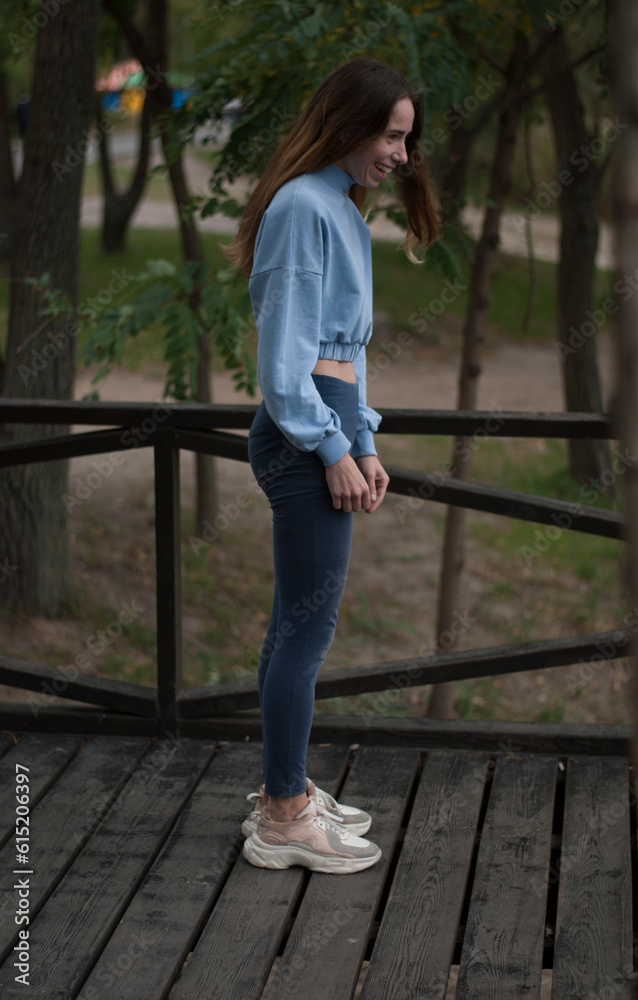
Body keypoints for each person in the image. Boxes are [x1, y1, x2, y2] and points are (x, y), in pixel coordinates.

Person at [222, 57, 440, 873]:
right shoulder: (301, 209)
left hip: (331, 424)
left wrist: (365, 440)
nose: (400, 155)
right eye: (390, 135)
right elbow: (286, 365)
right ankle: (282, 817)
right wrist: (332, 446)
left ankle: (288, 788)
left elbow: (345, 351)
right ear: (347, 123)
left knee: (297, 628)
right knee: (305, 634)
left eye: (406, 139)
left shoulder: (337, 205)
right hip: (303, 432)